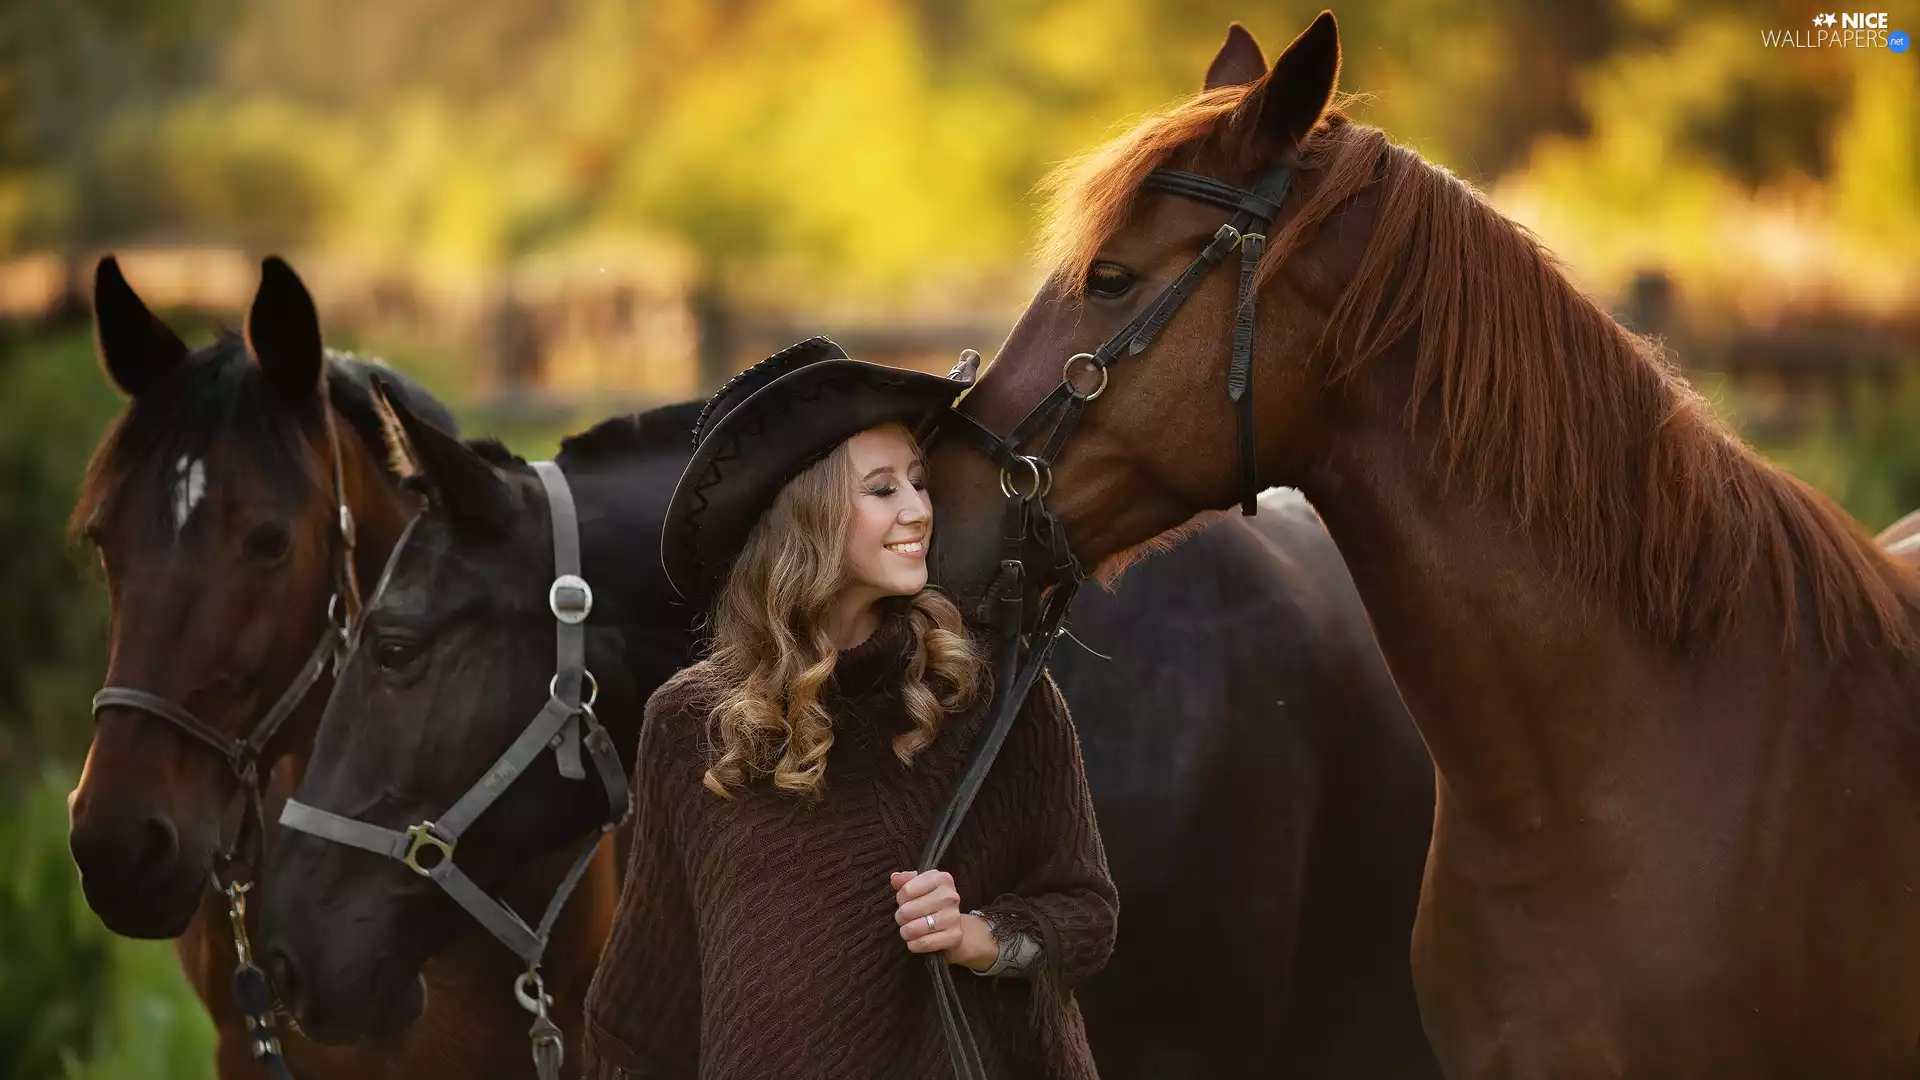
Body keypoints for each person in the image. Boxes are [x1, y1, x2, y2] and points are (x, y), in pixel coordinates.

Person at [583, 338, 1117, 1079]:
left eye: (919, 480)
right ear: (804, 517)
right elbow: (644, 1006)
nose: (919, 509)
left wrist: (979, 935)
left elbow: (1087, 913)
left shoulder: (990, 694)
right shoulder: (691, 723)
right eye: (882, 488)